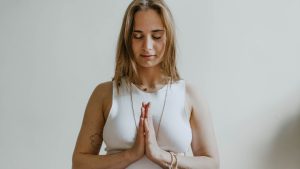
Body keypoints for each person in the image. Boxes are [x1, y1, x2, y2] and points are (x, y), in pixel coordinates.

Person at [72, 0, 219, 168]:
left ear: (168, 37)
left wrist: (161, 155)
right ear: (127, 39)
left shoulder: (190, 95)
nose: (147, 46)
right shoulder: (104, 94)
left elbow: (212, 164)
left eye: (156, 36)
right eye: (138, 36)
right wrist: (131, 154)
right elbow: (79, 163)